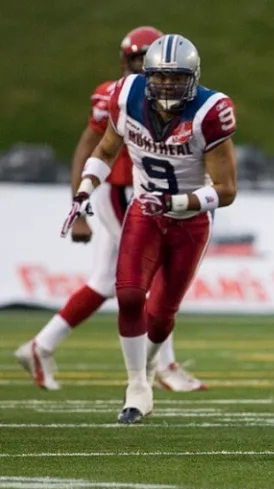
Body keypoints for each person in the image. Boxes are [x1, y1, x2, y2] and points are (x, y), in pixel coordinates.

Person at [15, 26, 206, 393]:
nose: (158, 75)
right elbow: (91, 148)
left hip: (141, 192)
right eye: (139, 59)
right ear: (129, 60)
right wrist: (80, 204)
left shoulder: (176, 101)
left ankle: (41, 346)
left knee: (105, 281)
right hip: (120, 192)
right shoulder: (116, 94)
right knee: (143, 277)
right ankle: (164, 366)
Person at [60, 34, 238, 424]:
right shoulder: (125, 95)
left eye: (177, 78)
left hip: (190, 221)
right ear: (147, 75)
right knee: (127, 295)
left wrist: (177, 203)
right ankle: (136, 386)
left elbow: (226, 191)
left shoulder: (210, 110)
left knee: (160, 315)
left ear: (193, 78)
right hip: (145, 211)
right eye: (161, 77)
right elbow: (106, 150)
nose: (169, 86)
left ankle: (152, 370)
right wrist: (84, 190)